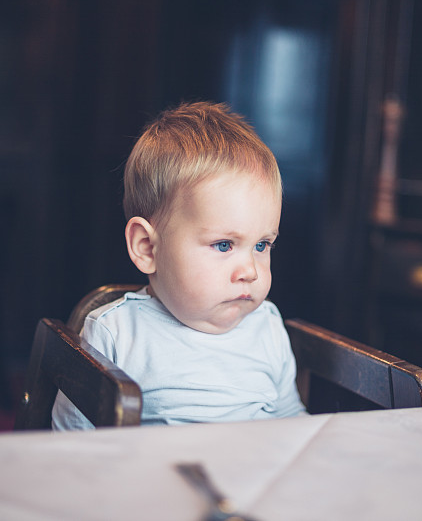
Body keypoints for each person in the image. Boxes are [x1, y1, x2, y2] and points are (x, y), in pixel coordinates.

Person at [52, 101, 307, 428]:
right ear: (147, 248)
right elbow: (72, 443)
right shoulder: (116, 334)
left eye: (261, 245)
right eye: (224, 245)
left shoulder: (267, 328)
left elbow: (292, 424)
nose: (250, 271)